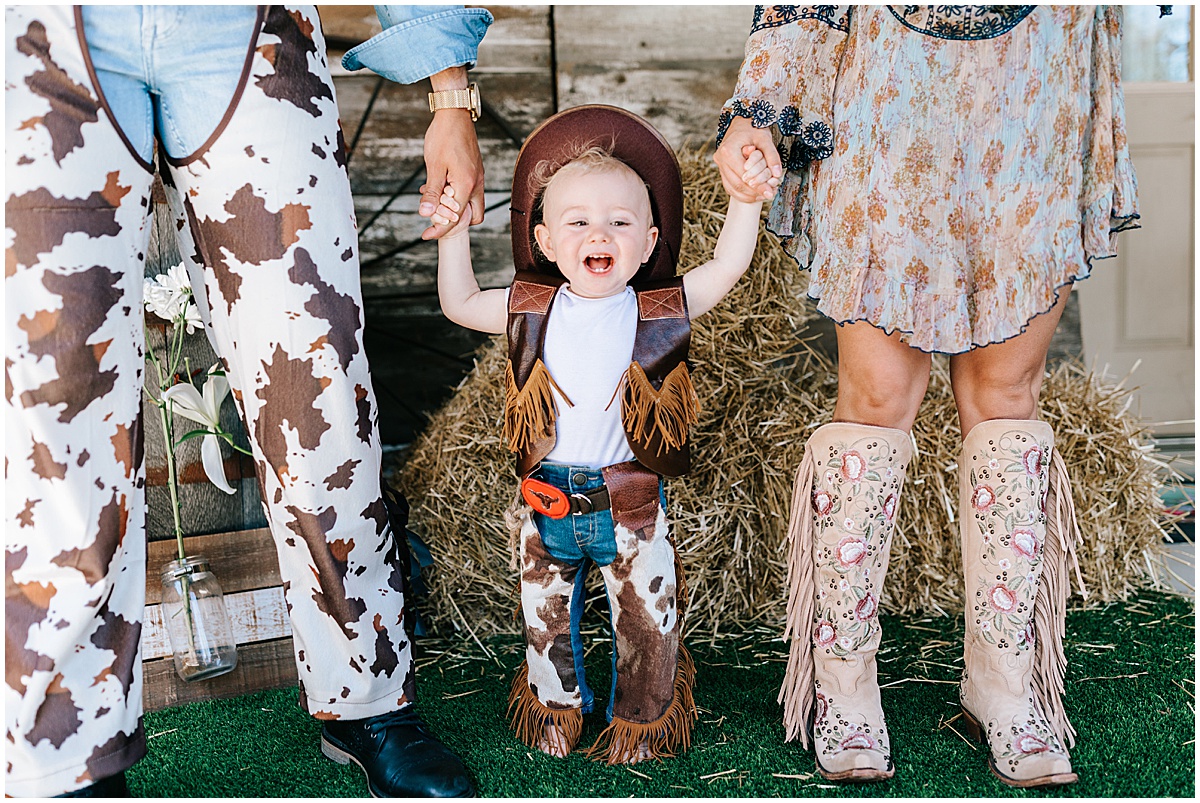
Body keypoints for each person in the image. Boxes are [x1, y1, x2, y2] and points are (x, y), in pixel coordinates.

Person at [5, 5, 490, 797]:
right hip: (42, 31)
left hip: (245, 25)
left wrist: (449, 93)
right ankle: (70, 751)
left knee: (317, 377)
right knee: (56, 403)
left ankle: (366, 696)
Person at [714, 5, 1142, 789]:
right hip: (888, 89)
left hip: (1033, 85)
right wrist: (759, 107)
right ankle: (844, 685)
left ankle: (1004, 685)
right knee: (875, 398)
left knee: (1008, 394)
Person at [431, 105, 769, 764]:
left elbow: (727, 267)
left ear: (647, 241)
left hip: (632, 505)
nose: (599, 233)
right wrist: (451, 234)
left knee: (647, 621)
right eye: (578, 221)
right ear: (548, 241)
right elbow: (458, 301)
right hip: (547, 503)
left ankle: (642, 721)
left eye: (619, 222)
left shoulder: (658, 306)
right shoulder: (531, 306)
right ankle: (557, 710)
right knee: (545, 619)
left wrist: (744, 201)